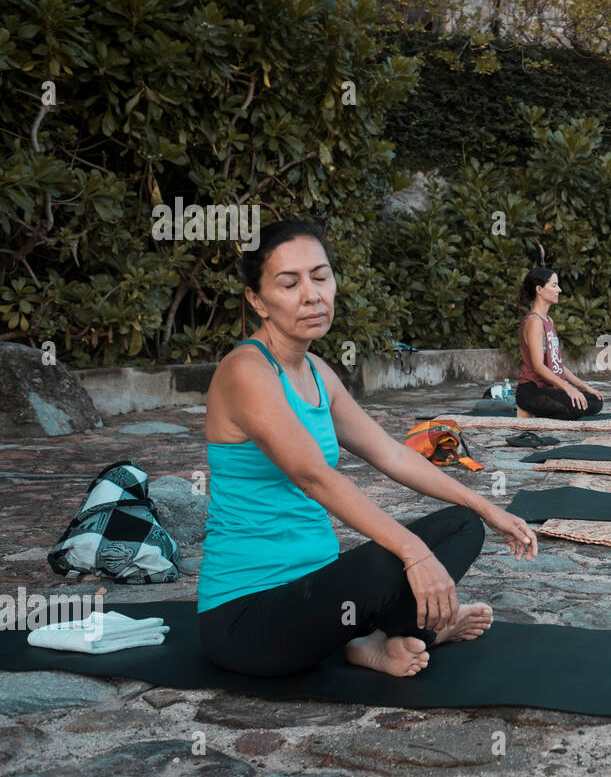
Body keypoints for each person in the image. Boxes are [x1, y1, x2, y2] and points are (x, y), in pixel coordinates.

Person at [200, 220, 538, 679]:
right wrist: (413, 552)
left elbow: (394, 455)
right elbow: (312, 476)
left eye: (320, 276)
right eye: (289, 283)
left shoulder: (317, 371)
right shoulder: (246, 371)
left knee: (462, 524)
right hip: (249, 619)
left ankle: (372, 640)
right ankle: (404, 633)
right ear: (257, 301)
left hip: (318, 589)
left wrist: (489, 508)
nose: (312, 294)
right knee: (396, 559)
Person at [516, 267, 604, 419]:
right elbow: (538, 366)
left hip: (550, 389)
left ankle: (551, 407)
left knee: (595, 401)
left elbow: (557, 364)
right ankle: (534, 411)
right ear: (539, 289)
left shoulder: (548, 320)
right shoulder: (534, 322)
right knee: (576, 408)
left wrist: (584, 387)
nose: (559, 290)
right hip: (531, 391)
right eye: (554, 285)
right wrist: (568, 389)